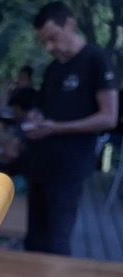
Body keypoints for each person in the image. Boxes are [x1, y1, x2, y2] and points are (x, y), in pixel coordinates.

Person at [23, 1, 118, 255]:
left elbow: (109, 117)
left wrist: (58, 128)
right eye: (44, 42)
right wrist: (35, 116)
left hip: (69, 168)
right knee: (34, 241)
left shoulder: (95, 59)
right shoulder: (54, 68)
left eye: (53, 38)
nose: (49, 47)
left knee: (57, 242)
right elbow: (42, 108)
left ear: (70, 24)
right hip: (40, 164)